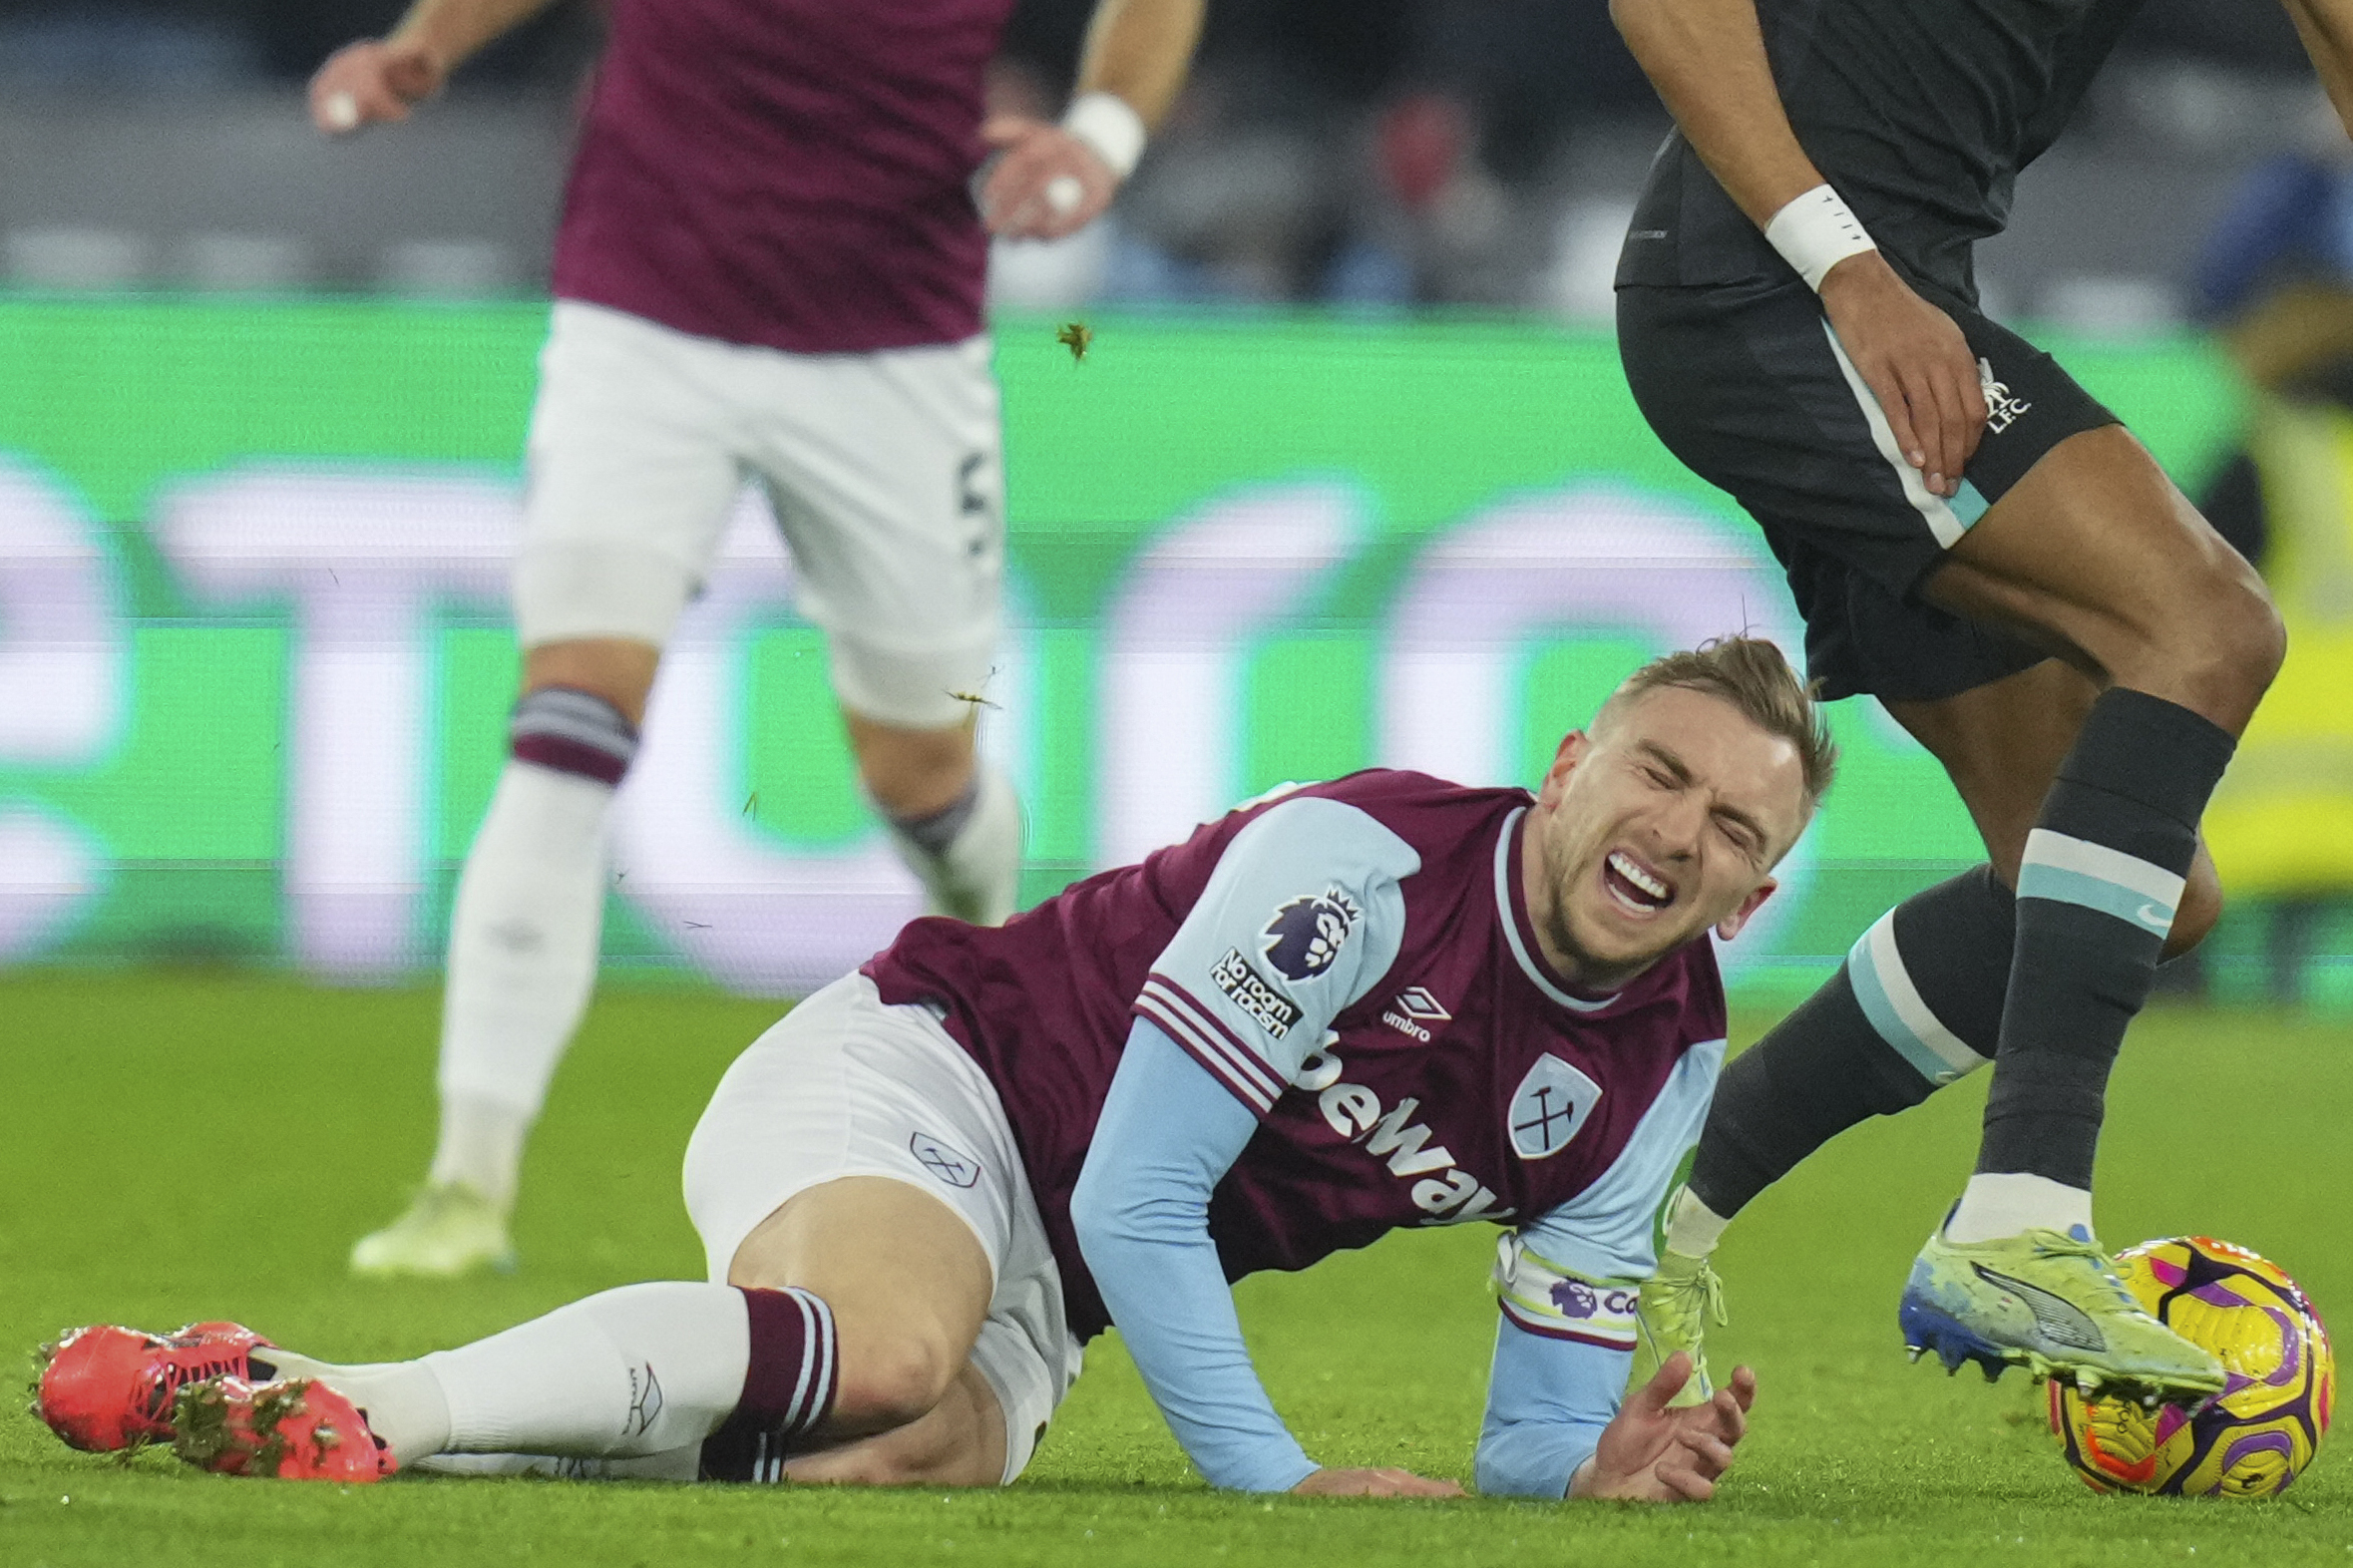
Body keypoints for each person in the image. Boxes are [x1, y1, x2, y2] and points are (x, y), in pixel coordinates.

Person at [35, 639, 1822, 1498]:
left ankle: (288, 1400)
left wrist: (1573, 1476)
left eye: (1731, 825)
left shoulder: (1658, 1068)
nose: (1677, 828)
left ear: (1751, 888)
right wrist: (1271, 1481)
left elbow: (1523, 1435)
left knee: (888, 1456)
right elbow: (1137, 1185)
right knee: (883, 1348)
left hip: (1054, 1284)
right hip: (929, 1076)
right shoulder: (1358, 869)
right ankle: (389, 1394)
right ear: (1572, 757)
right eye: (1656, 772)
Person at [306, 0, 1207, 1278]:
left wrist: (1101, 139)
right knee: (568, 722)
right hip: (643, 312)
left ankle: (991, 977)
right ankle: (466, 1185)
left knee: (919, 779)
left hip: (888, 336)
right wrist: (429, 43)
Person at [1604, 0, 2353, 1407]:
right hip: (1787, 288)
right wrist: (1848, 274)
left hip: (1874, 291)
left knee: (2130, 888)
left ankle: (1652, 1199)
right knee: (2199, 624)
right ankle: (2020, 1220)